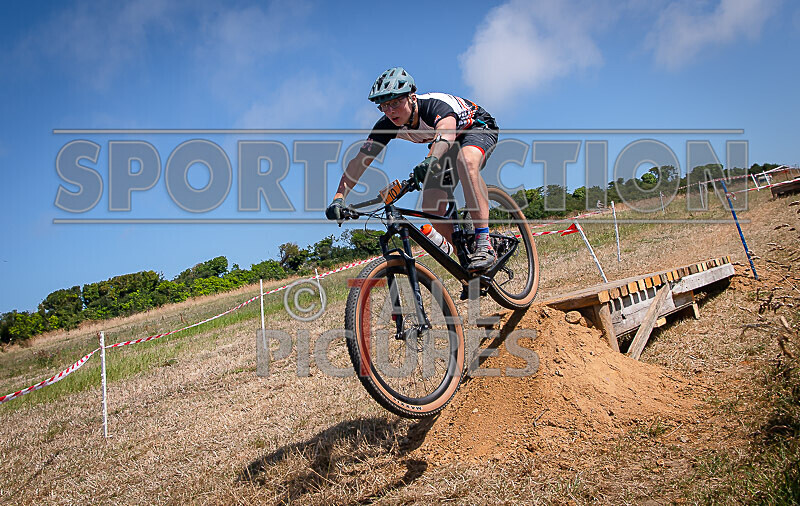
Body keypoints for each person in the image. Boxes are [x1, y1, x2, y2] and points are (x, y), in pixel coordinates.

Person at [325, 67, 500, 272]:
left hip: (474, 129)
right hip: (443, 146)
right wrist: (339, 197)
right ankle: (467, 258)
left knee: (466, 161)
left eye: (395, 103)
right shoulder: (386, 125)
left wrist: (430, 160)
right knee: (431, 206)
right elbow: (359, 161)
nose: (390, 111)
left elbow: (446, 133)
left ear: (411, 97)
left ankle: (484, 242)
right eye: (383, 106)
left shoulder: (433, 106)